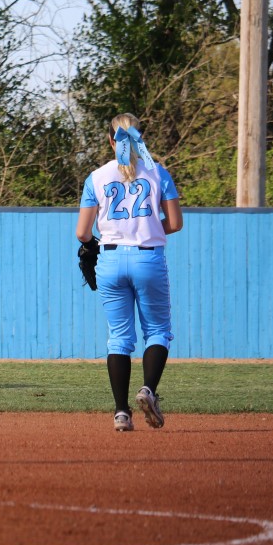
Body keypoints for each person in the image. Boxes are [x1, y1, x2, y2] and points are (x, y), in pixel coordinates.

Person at [76, 113, 183, 431]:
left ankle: (121, 413)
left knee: (119, 339)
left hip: (109, 260)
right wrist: (149, 228)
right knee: (158, 331)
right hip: (148, 257)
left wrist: (99, 240)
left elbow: (82, 232)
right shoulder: (157, 172)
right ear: (139, 138)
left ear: (110, 141)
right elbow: (175, 223)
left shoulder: (96, 177)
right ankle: (148, 389)